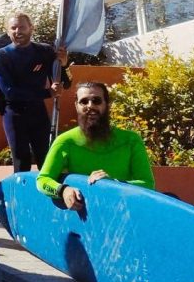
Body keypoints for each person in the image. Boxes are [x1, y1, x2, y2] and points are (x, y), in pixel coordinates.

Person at [37, 82, 155, 210]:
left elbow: (147, 184)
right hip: (84, 218)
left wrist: (114, 184)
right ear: (76, 106)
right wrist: (63, 190)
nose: (90, 106)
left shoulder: (131, 140)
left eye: (96, 101)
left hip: (123, 215)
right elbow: (43, 180)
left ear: (107, 104)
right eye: (84, 101)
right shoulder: (65, 141)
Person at [0, 13, 70, 172]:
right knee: (21, 160)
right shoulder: (0, 56)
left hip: (38, 112)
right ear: (7, 32)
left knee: (46, 157)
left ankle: (47, 194)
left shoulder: (45, 52)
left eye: (21, 27)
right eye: (13, 28)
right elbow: (9, 92)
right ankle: (21, 196)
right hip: (14, 114)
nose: (17, 31)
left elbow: (65, 83)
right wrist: (47, 93)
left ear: (31, 28)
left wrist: (64, 64)